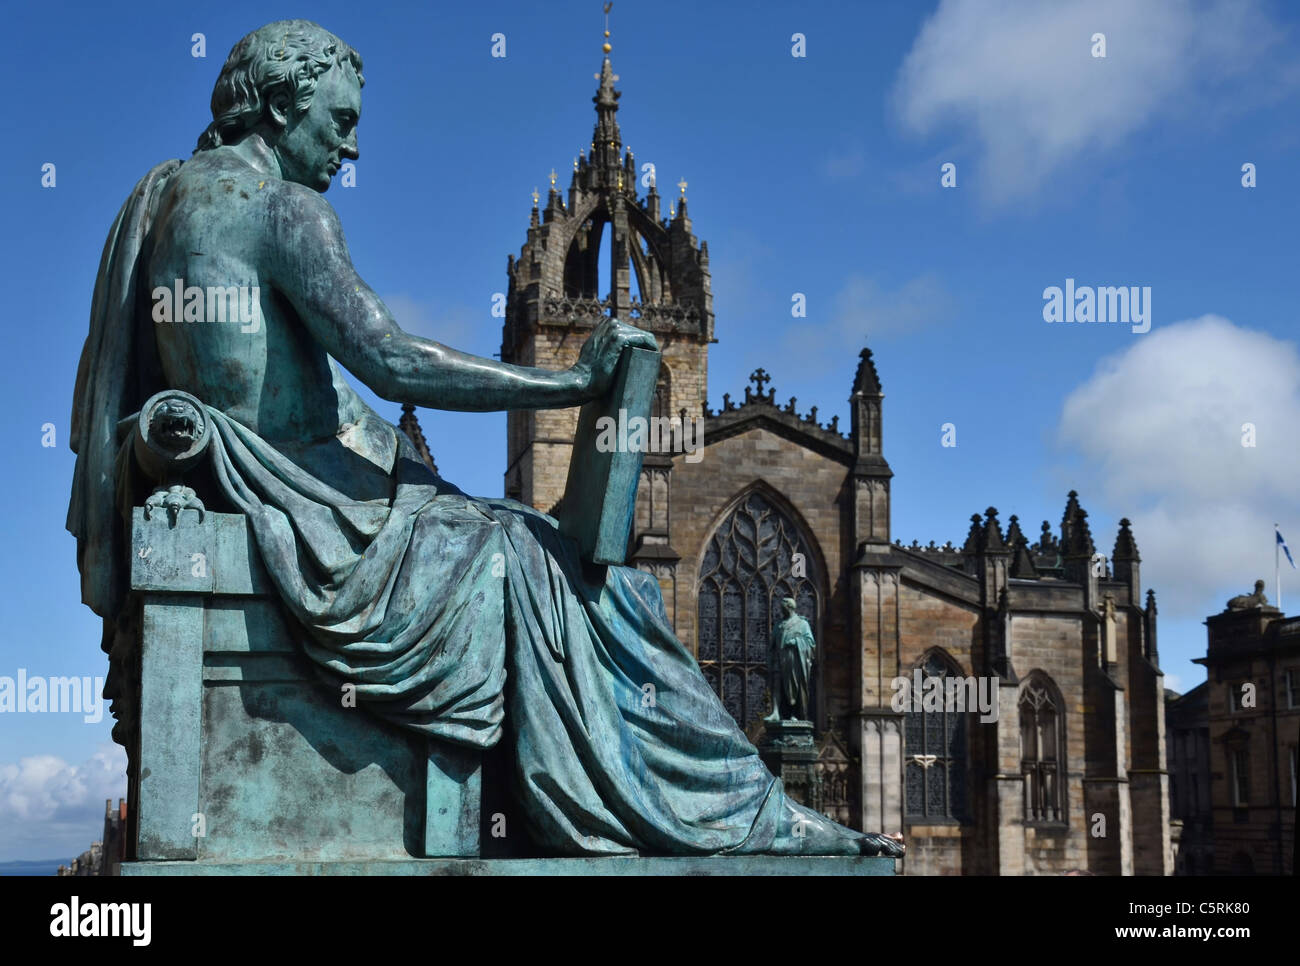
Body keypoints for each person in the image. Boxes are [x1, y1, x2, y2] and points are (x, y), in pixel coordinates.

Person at [69, 19, 903, 859]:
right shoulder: (285, 209)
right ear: (283, 107)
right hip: (303, 495)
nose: (351, 150)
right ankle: (729, 810)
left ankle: (725, 800)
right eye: (342, 120)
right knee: (555, 565)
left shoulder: (170, 197)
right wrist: (572, 384)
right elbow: (393, 361)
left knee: (544, 550)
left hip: (260, 475)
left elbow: (253, 377)